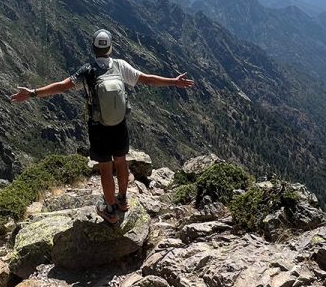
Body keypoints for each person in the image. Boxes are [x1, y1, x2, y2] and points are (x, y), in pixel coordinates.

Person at [10, 28, 195, 224]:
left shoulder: (87, 70)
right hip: (119, 124)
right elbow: (147, 79)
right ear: (110, 47)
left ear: (92, 48)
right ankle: (123, 200)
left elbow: (62, 86)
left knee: (106, 169)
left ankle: (110, 210)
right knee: (121, 161)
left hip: (99, 127)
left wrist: (32, 93)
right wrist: (174, 82)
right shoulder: (120, 65)